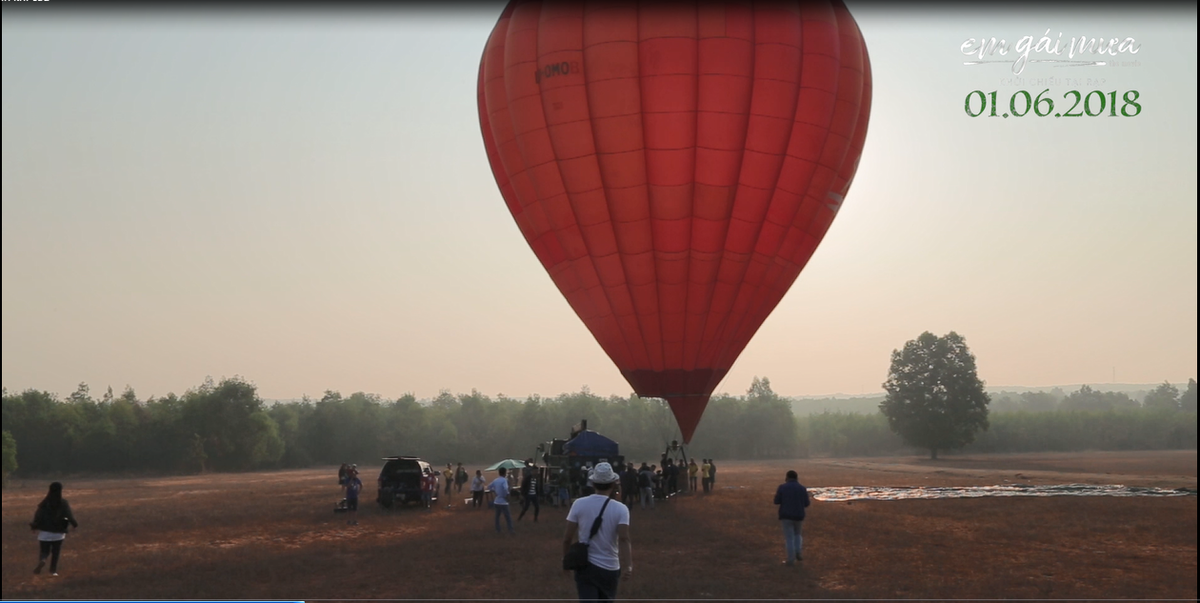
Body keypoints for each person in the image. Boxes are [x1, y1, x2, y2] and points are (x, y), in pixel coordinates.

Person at [562, 462, 632, 602]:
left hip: (585, 566)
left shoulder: (579, 504)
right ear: (613, 484)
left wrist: (566, 561)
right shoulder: (621, 509)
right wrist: (628, 565)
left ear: (593, 483)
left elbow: (567, 539)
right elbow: (624, 539)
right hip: (610, 568)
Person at [29, 482, 79, 577]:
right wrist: (75, 525)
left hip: (45, 533)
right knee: (56, 552)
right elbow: (69, 515)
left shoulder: (44, 503)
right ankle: (53, 571)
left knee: (44, 551)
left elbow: (38, 516)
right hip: (59, 533)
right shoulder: (63, 503)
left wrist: (34, 527)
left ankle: (43, 560)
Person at [774, 470, 811, 565]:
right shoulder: (802, 488)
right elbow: (807, 503)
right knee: (798, 534)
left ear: (787, 477)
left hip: (786, 515)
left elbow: (776, 501)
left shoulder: (782, 487)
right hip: (799, 515)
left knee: (789, 537)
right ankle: (798, 551)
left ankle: (791, 559)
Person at [490, 467, 515, 534]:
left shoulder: (495, 480)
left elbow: (489, 487)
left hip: (496, 501)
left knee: (497, 517)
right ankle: (511, 530)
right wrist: (507, 496)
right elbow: (505, 489)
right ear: (505, 472)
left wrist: (495, 492)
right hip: (503, 502)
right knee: (508, 517)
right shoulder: (504, 480)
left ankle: (498, 529)